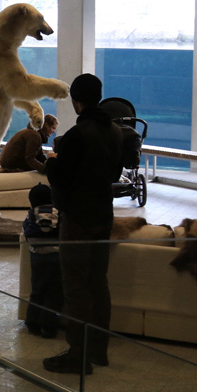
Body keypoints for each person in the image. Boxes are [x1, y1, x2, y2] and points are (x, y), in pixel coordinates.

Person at [43, 73, 124, 374]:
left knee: (76, 287)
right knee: (98, 283)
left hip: (77, 218)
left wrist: (53, 160)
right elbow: (115, 176)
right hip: (104, 215)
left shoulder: (79, 134)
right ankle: (98, 351)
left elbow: (60, 177)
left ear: (76, 101)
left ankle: (78, 355)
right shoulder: (115, 131)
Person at [22, 183, 61, 339]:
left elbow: (26, 231)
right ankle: (48, 326)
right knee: (54, 293)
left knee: (37, 290)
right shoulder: (59, 213)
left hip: (37, 257)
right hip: (56, 256)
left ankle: (32, 322)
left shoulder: (31, 215)